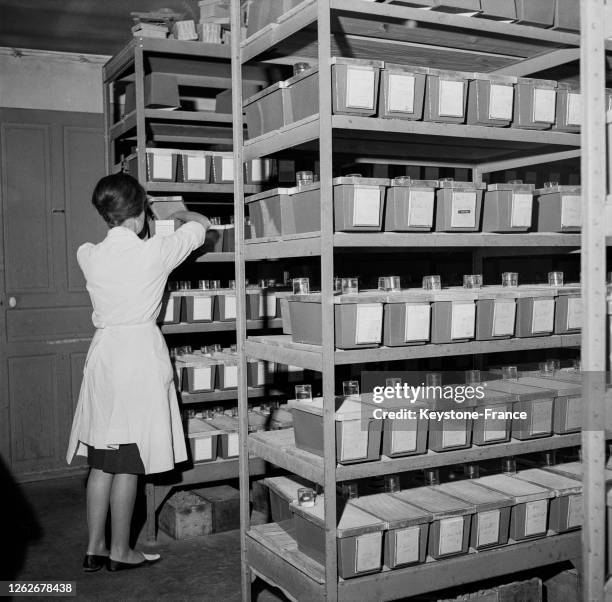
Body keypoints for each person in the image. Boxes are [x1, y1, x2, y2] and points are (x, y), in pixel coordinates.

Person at [66, 173, 210, 572]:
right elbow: (203, 225)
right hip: (138, 357)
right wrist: (176, 211)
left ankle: (93, 549)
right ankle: (120, 552)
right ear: (140, 213)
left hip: (104, 354)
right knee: (128, 461)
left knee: (101, 458)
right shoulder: (155, 252)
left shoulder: (88, 254)